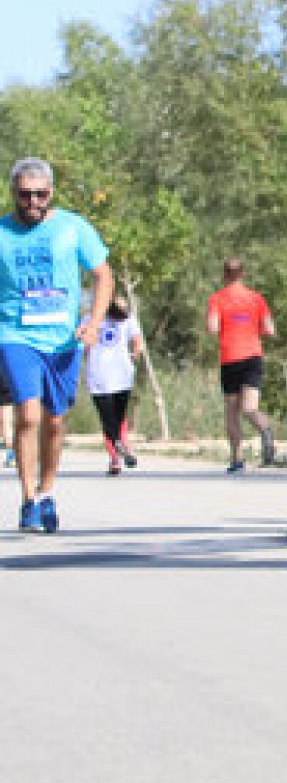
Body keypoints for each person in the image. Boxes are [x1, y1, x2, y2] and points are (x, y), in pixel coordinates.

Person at [0, 157, 113, 532]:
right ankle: (28, 500)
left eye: (40, 194)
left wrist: (93, 322)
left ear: (51, 192)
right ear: (13, 193)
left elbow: (103, 275)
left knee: (54, 420)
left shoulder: (73, 227)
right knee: (29, 415)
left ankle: (47, 492)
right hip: (15, 335)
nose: (33, 201)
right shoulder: (2, 232)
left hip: (64, 340)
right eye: (25, 194)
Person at [205, 259, 277, 473]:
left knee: (232, 411)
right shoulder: (256, 298)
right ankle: (265, 429)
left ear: (225, 275)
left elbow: (212, 328)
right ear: (242, 274)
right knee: (249, 408)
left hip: (230, 358)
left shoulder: (217, 299)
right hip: (253, 356)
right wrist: (251, 329)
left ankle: (237, 459)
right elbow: (270, 329)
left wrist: (227, 326)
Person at [85, 295, 144, 474]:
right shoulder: (90, 319)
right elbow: (85, 344)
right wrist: (135, 353)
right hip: (104, 375)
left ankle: (118, 452)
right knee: (112, 417)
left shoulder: (127, 319)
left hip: (117, 375)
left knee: (113, 418)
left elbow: (137, 339)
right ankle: (119, 452)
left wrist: (135, 353)